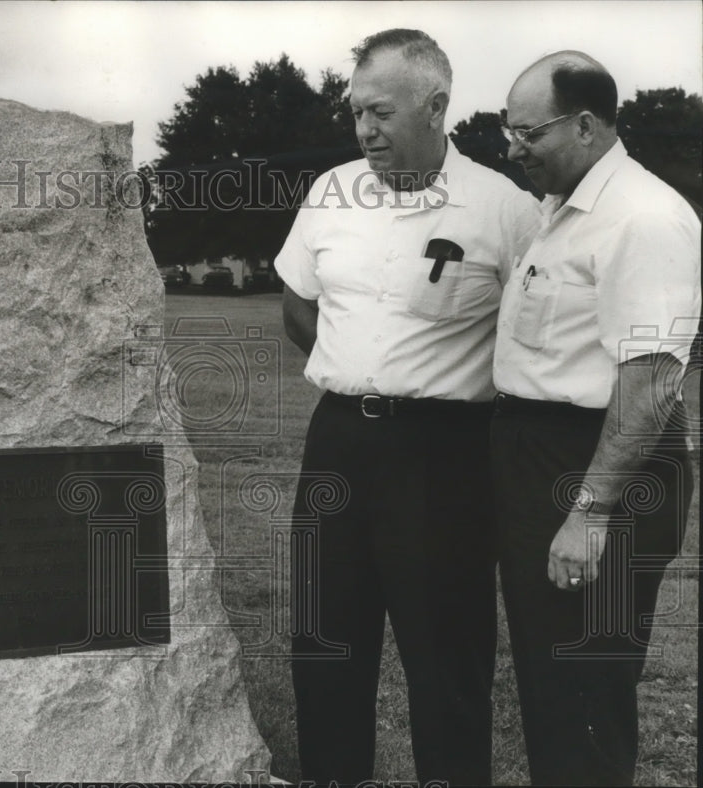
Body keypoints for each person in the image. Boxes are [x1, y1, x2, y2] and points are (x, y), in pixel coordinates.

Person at [274, 29, 541, 785]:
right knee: (326, 644)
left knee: (447, 657)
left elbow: (538, 334)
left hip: (445, 455)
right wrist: (363, 372)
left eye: (382, 113)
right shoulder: (331, 190)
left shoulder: (504, 209)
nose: (366, 131)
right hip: (337, 446)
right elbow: (298, 306)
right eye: (358, 113)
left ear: (436, 106)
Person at [493, 51, 701, 786]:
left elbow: (650, 383)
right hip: (539, 453)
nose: (512, 149)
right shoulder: (561, 210)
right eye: (505, 132)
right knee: (551, 684)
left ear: (584, 124)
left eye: (528, 134)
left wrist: (589, 510)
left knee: (587, 685)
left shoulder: (643, 218)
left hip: (600, 466)